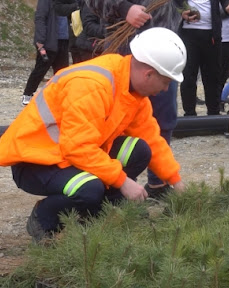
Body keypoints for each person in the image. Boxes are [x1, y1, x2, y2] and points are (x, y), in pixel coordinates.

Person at [0, 28, 187, 242]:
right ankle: (44, 219)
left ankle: (100, 214)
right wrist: (122, 181)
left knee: (140, 150)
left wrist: (175, 180)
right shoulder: (93, 85)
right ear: (148, 74)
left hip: (68, 155)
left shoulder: (132, 92)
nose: (165, 89)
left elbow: (152, 139)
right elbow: (78, 147)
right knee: (89, 189)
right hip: (35, 160)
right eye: (166, 82)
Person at [85, 0, 184, 198]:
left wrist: (176, 179)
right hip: (128, 50)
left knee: (161, 122)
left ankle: (157, 184)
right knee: (117, 128)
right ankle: (117, 188)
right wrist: (124, 8)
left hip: (166, 54)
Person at [179, 0, 229, 116]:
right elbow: (173, 5)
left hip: (211, 35)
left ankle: (213, 112)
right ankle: (189, 113)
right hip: (188, 34)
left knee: (212, 76)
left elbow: (226, 8)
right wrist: (181, 12)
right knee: (188, 76)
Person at [21, 0, 70, 106]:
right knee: (41, 68)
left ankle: (60, 96)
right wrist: (40, 40)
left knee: (62, 71)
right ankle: (28, 94)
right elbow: (40, 18)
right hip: (49, 40)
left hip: (64, 39)